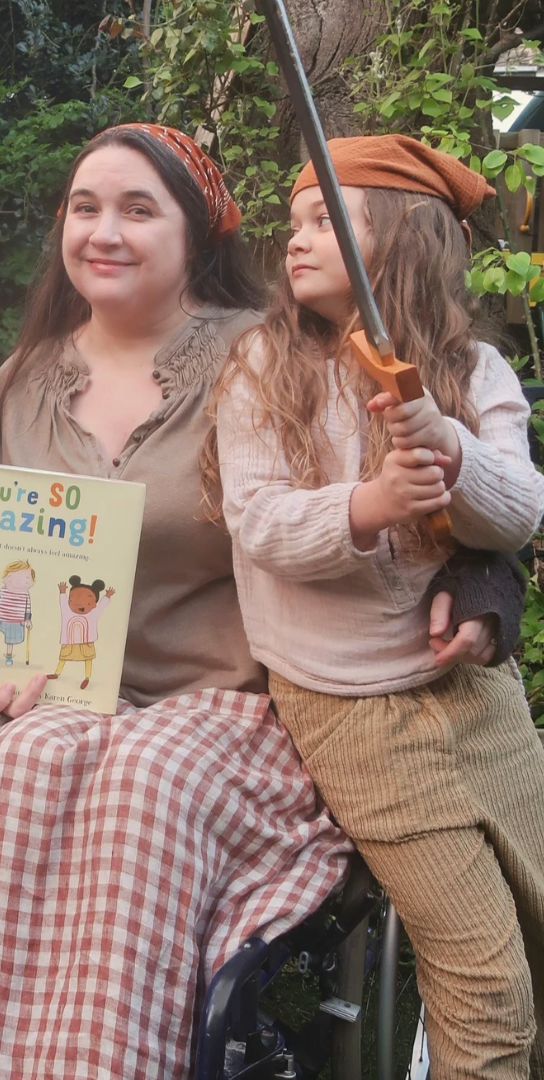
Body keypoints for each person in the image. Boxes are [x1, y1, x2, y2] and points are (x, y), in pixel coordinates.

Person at [0, 122, 521, 1079]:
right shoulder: (16, 385)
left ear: (196, 234)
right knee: (0, 796)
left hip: (225, 706)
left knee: (145, 790)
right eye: (85, 207)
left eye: (140, 210)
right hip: (66, 703)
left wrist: (483, 574)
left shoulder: (269, 355)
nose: (105, 230)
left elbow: (417, 468)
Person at [215, 134, 544, 1080]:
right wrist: (372, 504)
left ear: (401, 240)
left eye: (327, 221)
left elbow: (516, 514)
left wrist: (448, 448)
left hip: (478, 698)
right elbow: (260, 522)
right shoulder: (261, 364)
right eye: (295, 223)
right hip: (354, 713)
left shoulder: (476, 373)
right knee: (485, 979)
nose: (297, 241)